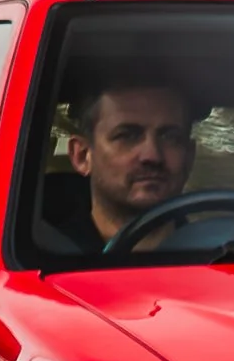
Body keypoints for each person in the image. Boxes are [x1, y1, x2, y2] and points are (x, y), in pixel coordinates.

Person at [53, 71, 198, 252]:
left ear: (190, 157)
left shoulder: (222, 257)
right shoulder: (41, 259)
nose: (152, 155)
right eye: (127, 136)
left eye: (170, 137)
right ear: (82, 156)